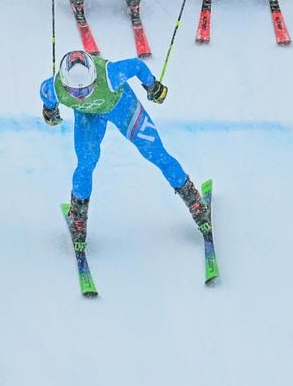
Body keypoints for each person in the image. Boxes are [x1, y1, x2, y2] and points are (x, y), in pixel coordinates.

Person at [40, 50, 209, 249]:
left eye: (87, 89)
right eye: (75, 93)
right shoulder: (52, 88)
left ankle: (194, 202)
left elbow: (137, 65)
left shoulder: (110, 74)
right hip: (89, 117)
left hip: (122, 107)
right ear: (64, 83)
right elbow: (47, 98)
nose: (82, 96)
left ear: (94, 78)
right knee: (86, 164)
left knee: (156, 153)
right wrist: (50, 111)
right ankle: (78, 218)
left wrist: (152, 86)